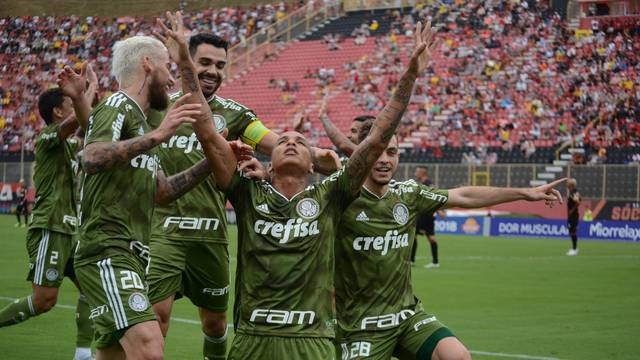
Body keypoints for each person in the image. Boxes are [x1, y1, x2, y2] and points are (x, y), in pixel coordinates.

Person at [181, 18, 437, 360]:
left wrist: (410, 75)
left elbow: (376, 139)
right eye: (282, 140)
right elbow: (206, 128)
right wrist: (185, 64)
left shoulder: (330, 195)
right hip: (251, 338)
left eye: (300, 142)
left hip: (312, 340)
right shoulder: (246, 193)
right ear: (268, 162)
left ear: (312, 163)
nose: (289, 142)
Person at [334, 122, 567, 360]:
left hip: (406, 317)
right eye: (377, 152)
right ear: (361, 154)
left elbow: (462, 195)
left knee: (456, 355)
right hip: (360, 325)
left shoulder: (408, 193)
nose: (385, 159)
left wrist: (526, 193)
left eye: (391, 152)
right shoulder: (339, 198)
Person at [72, 35, 218, 360]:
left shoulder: (140, 121)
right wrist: (158, 135)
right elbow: (91, 157)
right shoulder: (116, 106)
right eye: (168, 68)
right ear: (148, 64)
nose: (170, 80)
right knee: (151, 349)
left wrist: (215, 161)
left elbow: (162, 192)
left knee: (115, 355)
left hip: (135, 255)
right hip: (108, 250)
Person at [145, 32, 279, 360]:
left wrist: (318, 154)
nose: (213, 71)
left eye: (220, 65)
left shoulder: (235, 115)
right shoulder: (157, 110)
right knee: (156, 320)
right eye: (204, 62)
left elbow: (272, 143)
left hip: (211, 237)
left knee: (216, 325)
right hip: (163, 234)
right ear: (186, 62)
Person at [0, 75, 98, 360]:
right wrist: (86, 94)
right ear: (58, 111)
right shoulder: (47, 139)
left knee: (93, 287)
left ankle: (82, 354)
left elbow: (88, 121)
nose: (75, 106)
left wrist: (89, 89)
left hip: (72, 231)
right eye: (70, 102)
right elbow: (80, 120)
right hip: (50, 227)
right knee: (44, 301)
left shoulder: (72, 145)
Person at [414, 165, 445, 268]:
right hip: (420, 214)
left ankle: (435, 262)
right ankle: (411, 260)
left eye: (417, 172)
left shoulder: (428, 184)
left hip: (426, 216)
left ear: (422, 173)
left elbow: (435, 197)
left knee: (431, 238)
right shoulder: (419, 183)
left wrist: (440, 210)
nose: (415, 173)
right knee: (413, 236)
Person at [566, 178, 580, 256]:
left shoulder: (573, 192)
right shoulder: (574, 192)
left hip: (573, 216)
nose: (567, 184)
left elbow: (578, 201)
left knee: (573, 231)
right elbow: (579, 199)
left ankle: (574, 249)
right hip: (572, 215)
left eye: (568, 183)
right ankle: (574, 248)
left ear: (571, 184)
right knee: (571, 231)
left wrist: (572, 209)